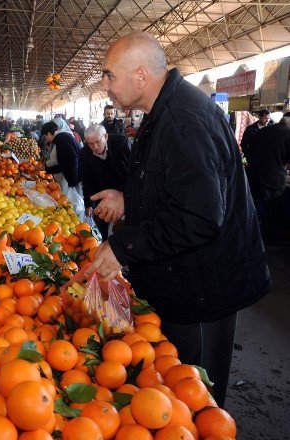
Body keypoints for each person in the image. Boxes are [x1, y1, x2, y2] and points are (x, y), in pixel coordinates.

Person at [89, 31, 270, 408]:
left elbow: (200, 217)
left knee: (195, 398)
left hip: (206, 286)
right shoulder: (165, 112)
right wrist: (129, 198)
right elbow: (174, 185)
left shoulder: (183, 122)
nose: (103, 85)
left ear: (141, 76)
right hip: (190, 279)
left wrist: (123, 247)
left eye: (109, 75)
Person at [246, 112, 290, 244]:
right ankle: (269, 239)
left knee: (253, 208)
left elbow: (249, 149)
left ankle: (251, 235)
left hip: (253, 175)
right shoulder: (287, 134)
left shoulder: (264, 130)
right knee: (271, 211)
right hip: (272, 179)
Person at [81, 124, 130, 240]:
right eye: (91, 144)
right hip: (101, 195)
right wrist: (88, 204)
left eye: (98, 142)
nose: (95, 147)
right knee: (104, 226)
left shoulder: (121, 143)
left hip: (125, 193)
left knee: (124, 229)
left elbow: (135, 169)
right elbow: (86, 179)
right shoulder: (84, 153)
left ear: (106, 136)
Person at [41, 121, 81, 193]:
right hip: (77, 175)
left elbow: (69, 162)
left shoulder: (61, 140)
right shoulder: (63, 136)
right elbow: (65, 161)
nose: (46, 139)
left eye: (45, 136)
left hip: (75, 177)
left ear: (49, 133)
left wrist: (72, 181)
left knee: (74, 200)